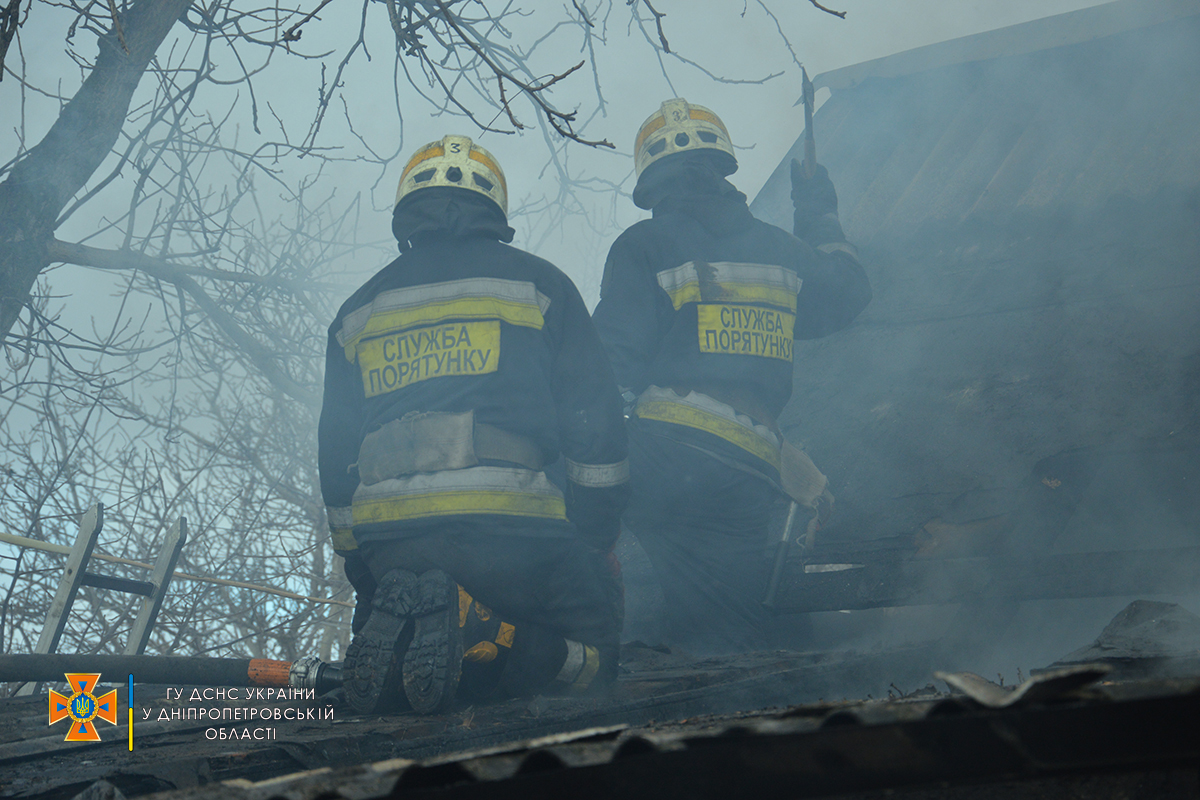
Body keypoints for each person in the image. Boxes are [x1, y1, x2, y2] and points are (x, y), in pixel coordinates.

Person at [319, 135, 629, 714]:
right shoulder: (542, 286)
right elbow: (595, 428)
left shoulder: (358, 311)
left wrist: (364, 561)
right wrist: (592, 537)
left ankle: (410, 650)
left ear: (407, 206)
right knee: (596, 661)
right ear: (494, 205)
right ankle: (484, 637)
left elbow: (335, 453)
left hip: (395, 548)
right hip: (514, 534)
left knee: (391, 681)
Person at [591, 98, 871, 653]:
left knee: (560, 496)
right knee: (725, 620)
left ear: (651, 179)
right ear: (722, 165)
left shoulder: (643, 245)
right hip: (745, 471)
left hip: (664, 453)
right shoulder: (779, 250)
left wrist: (583, 447)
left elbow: (609, 362)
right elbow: (847, 289)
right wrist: (816, 205)